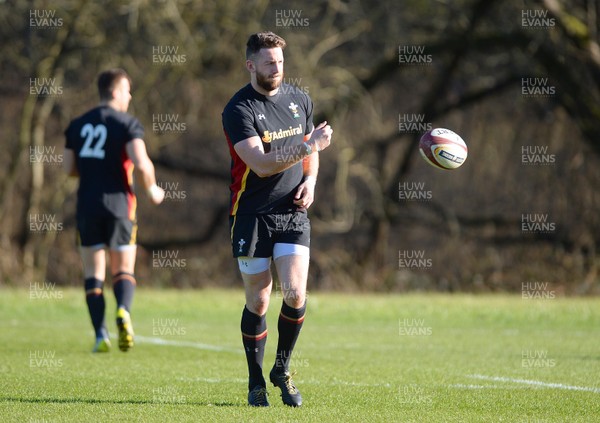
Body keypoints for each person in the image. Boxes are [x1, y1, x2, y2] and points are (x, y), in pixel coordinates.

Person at [222, 31, 333, 407]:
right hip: (252, 214)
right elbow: (262, 164)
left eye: (281, 62)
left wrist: (312, 179)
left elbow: (310, 149)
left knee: (297, 292)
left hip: (292, 212)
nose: (277, 68)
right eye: (269, 62)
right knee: (259, 300)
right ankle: (255, 381)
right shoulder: (238, 110)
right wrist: (308, 145)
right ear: (251, 64)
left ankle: (281, 370)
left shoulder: (299, 99)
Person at [63, 68, 164, 353]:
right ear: (116, 91)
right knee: (123, 269)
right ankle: (123, 310)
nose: (130, 96)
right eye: (128, 90)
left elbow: (68, 169)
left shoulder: (77, 124)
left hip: (87, 206)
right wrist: (153, 189)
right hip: (121, 205)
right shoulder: (127, 124)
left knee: (93, 274)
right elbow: (142, 163)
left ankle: (100, 336)